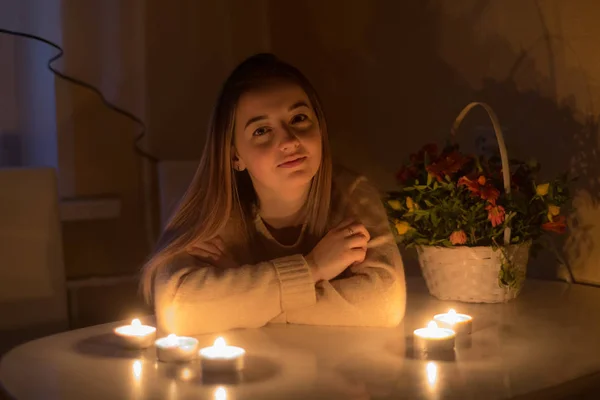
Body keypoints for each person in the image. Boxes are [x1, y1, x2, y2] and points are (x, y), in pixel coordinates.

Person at [140, 53, 406, 336]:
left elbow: (385, 302)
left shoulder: (350, 194)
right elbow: (177, 309)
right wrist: (312, 268)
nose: (290, 141)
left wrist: (245, 296)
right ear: (234, 156)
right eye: (262, 130)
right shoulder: (217, 207)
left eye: (299, 118)